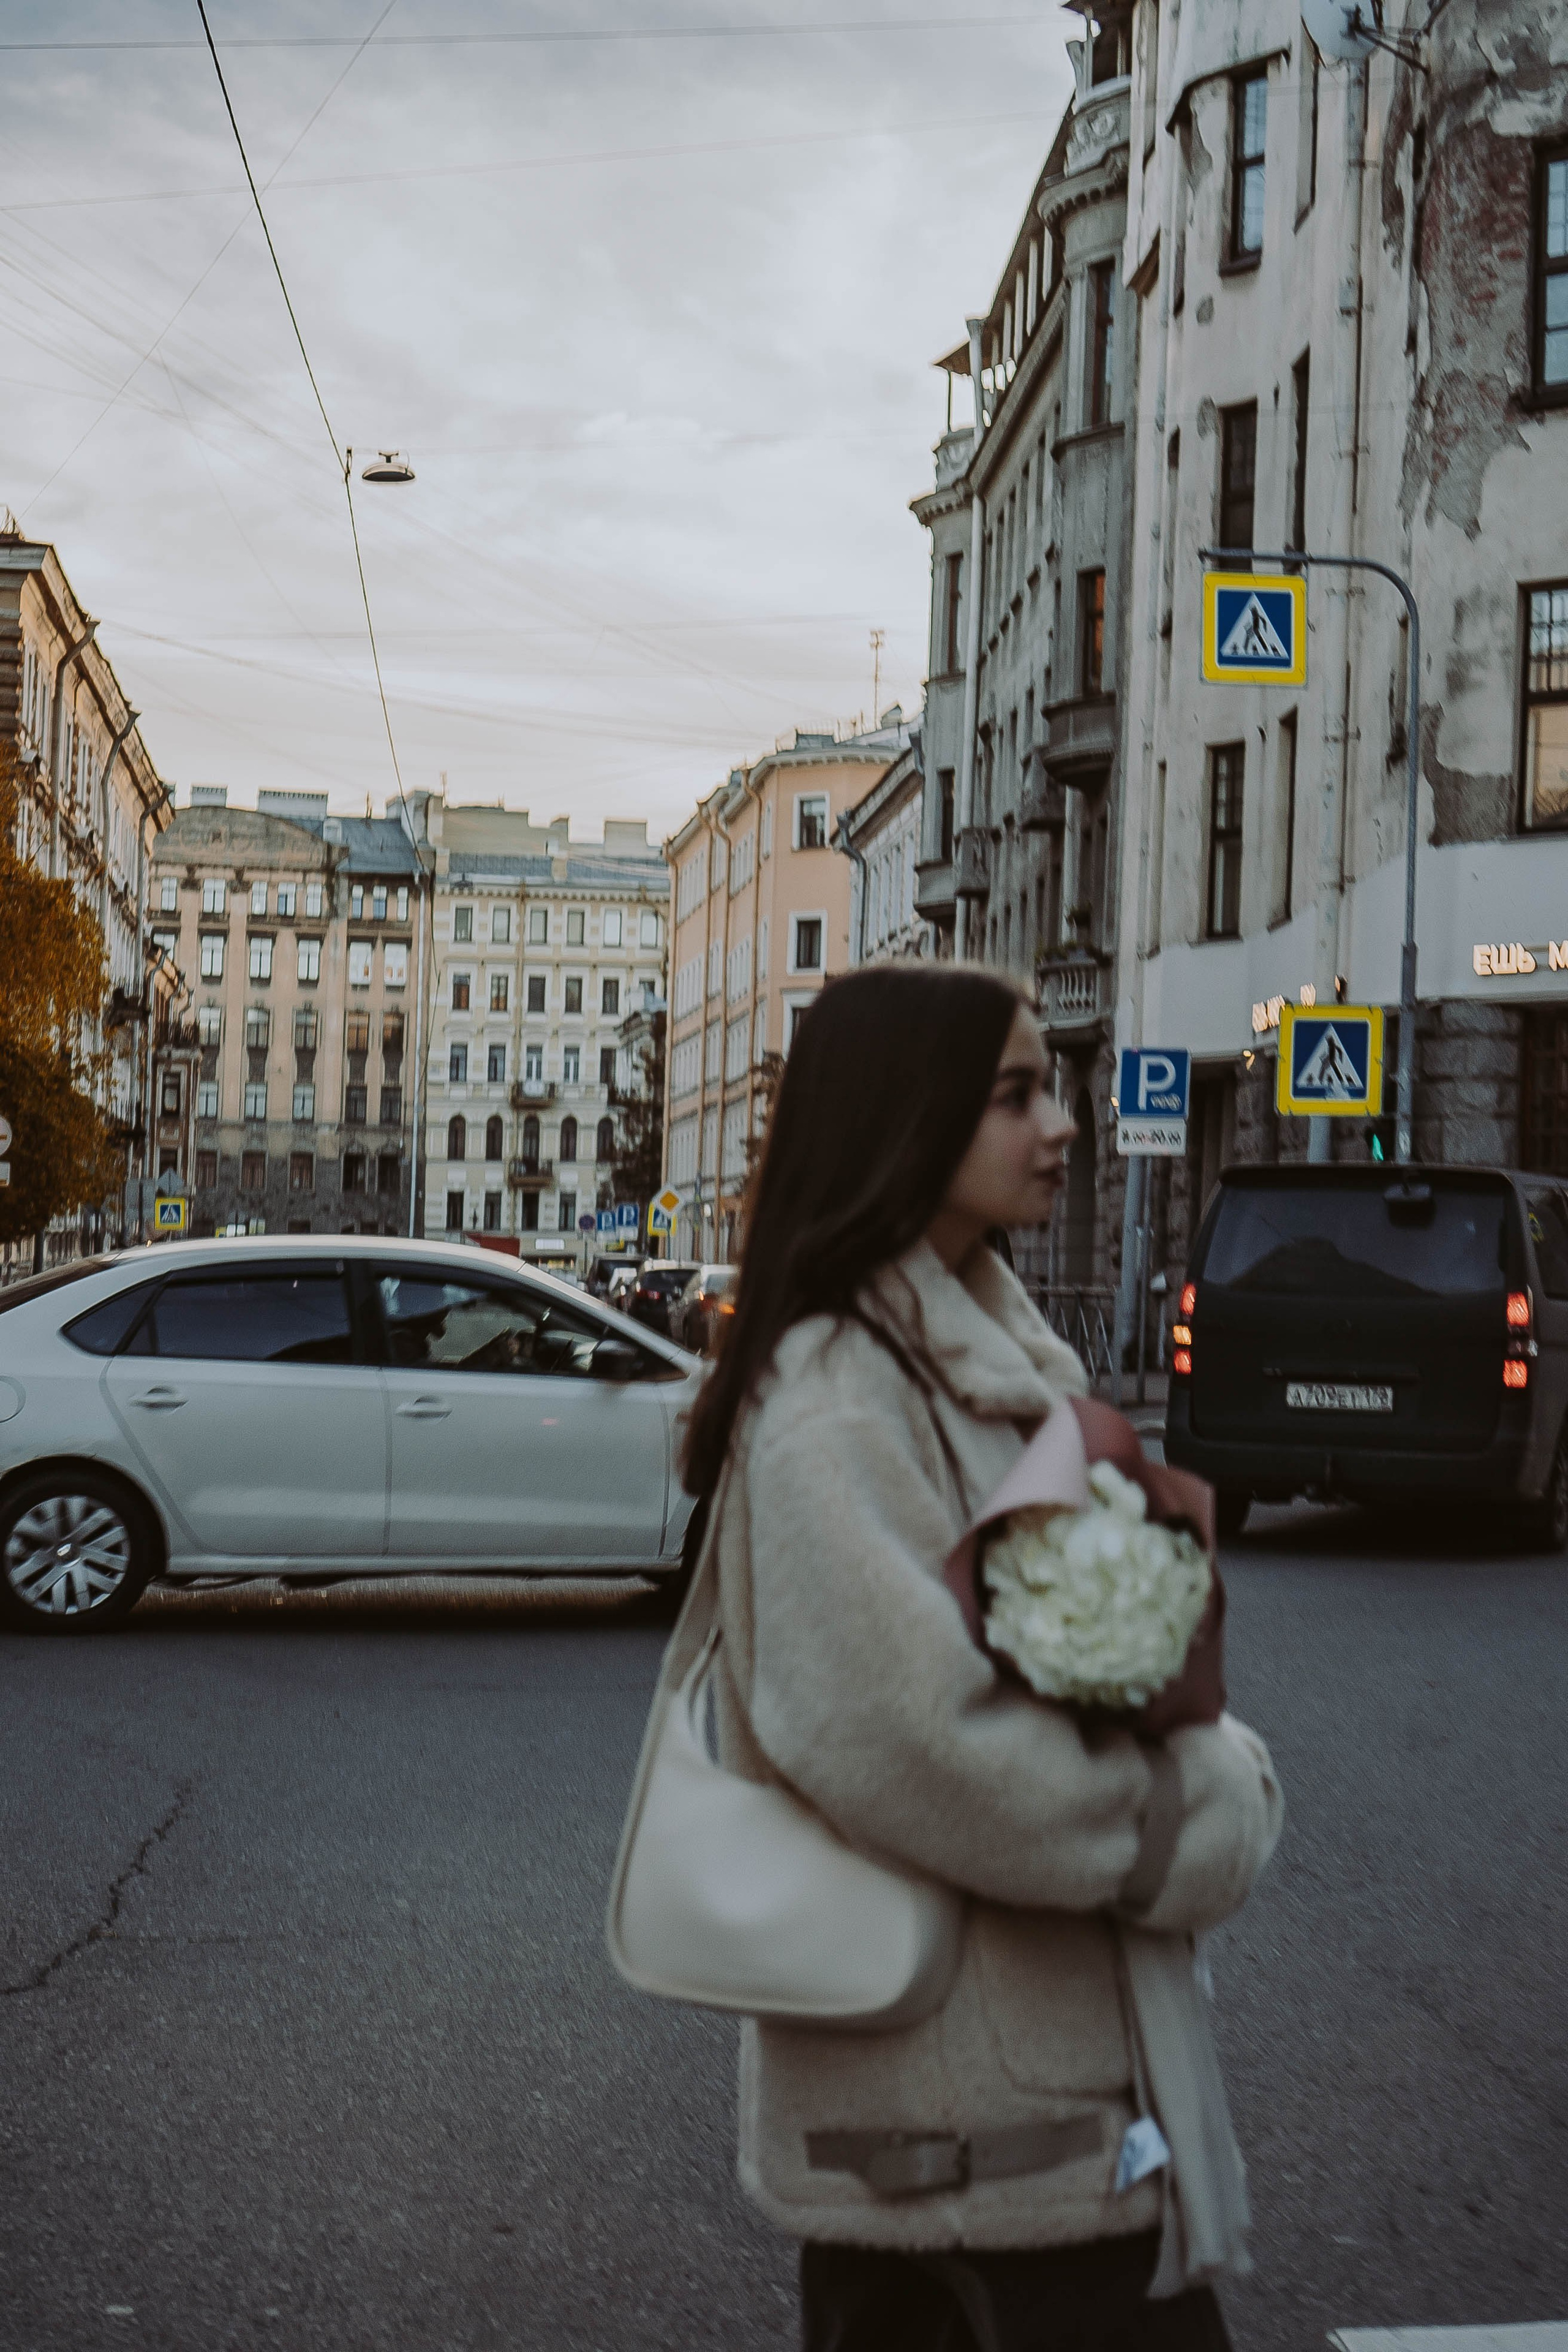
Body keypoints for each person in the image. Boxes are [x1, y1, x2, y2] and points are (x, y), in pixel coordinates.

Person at [680, 963, 1283, 2352]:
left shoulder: (985, 1363)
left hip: (1038, 2127)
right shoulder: (838, 1396)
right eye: (1015, 1094)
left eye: (1052, 1088)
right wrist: (1184, 1814)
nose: (1059, 1123)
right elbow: (904, 1737)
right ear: (906, 1120)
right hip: (965, 2162)